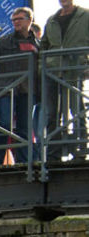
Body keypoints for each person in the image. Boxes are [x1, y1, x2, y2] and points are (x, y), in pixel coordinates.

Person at [0, 7, 41, 165]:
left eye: (19, 19)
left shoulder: (37, 43)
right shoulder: (4, 40)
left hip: (28, 89)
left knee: (24, 127)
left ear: (29, 21)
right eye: (13, 20)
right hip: (6, 87)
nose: (15, 22)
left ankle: (23, 161)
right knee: (5, 124)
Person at [42, 0, 89, 161]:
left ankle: (81, 149)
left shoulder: (85, 15)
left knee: (77, 111)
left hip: (74, 69)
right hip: (53, 71)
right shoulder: (52, 19)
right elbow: (44, 46)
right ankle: (53, 153)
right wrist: (43, 67)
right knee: (52, 114)